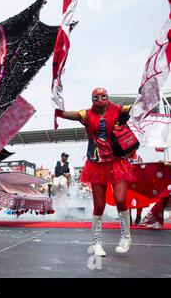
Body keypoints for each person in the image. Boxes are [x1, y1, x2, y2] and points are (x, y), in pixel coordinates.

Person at [56, 87, 136, 256]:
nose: (100, 99)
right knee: (99, 205)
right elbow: (71, 115)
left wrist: (149, 94)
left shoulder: (118, 110)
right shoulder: (87, 114)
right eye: (96, 97)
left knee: (121, 200)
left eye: (103, 96)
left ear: (108, 97)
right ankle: (97, 242)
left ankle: (126, 236)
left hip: (117, 162)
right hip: (96, 164)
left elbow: (139, 106)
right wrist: (59, 110)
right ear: (92, 99)